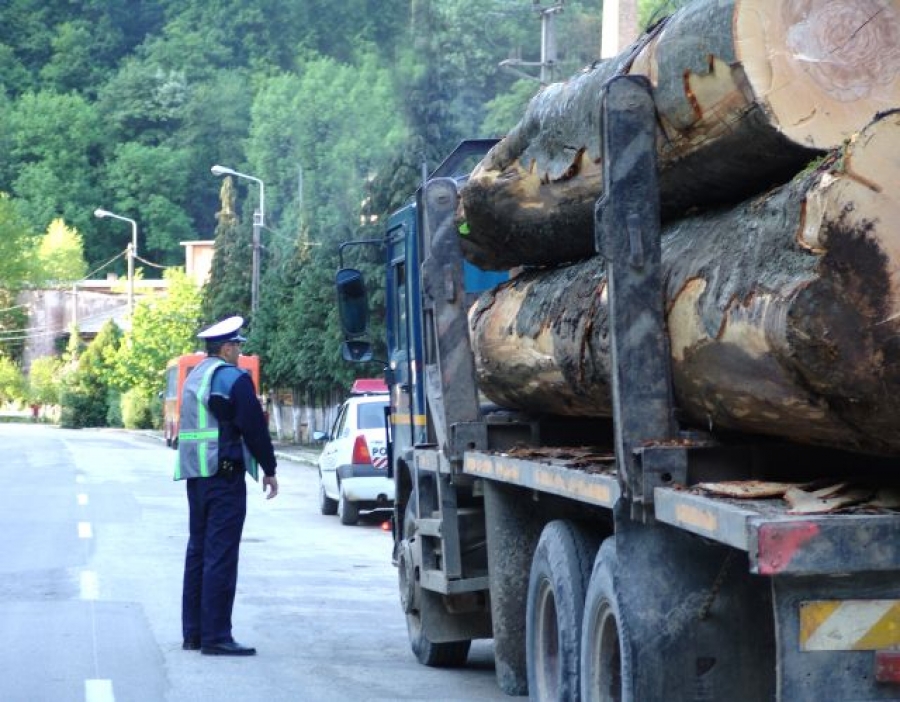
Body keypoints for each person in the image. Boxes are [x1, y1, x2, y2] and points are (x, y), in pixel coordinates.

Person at [174, 316, 278, 656]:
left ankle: (194, 633)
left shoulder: (196, 377)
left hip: (196, 476)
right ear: (228, 348)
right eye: (237, 347)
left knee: (198, 552)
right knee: (221, 555)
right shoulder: (234, 379)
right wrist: (269, 469)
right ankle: (217, 636)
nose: (239, 353)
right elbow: (254, 427)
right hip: (225, 477)